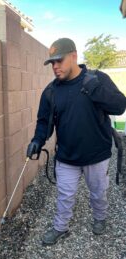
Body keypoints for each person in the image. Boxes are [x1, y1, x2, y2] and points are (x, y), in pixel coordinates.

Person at [27, 38, 126, 246]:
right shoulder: (51, 91)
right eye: (51, 63)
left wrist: (96, 90)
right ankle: (60, 227)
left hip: (97, 155)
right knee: (64, 195)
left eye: (59, 61)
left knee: (98, 192)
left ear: (73, 56)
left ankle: (100, 217)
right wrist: (37, 140)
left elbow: (119, 107)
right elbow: (44, 121)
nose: (55, 67)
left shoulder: (97, 79)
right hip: (66, 156)